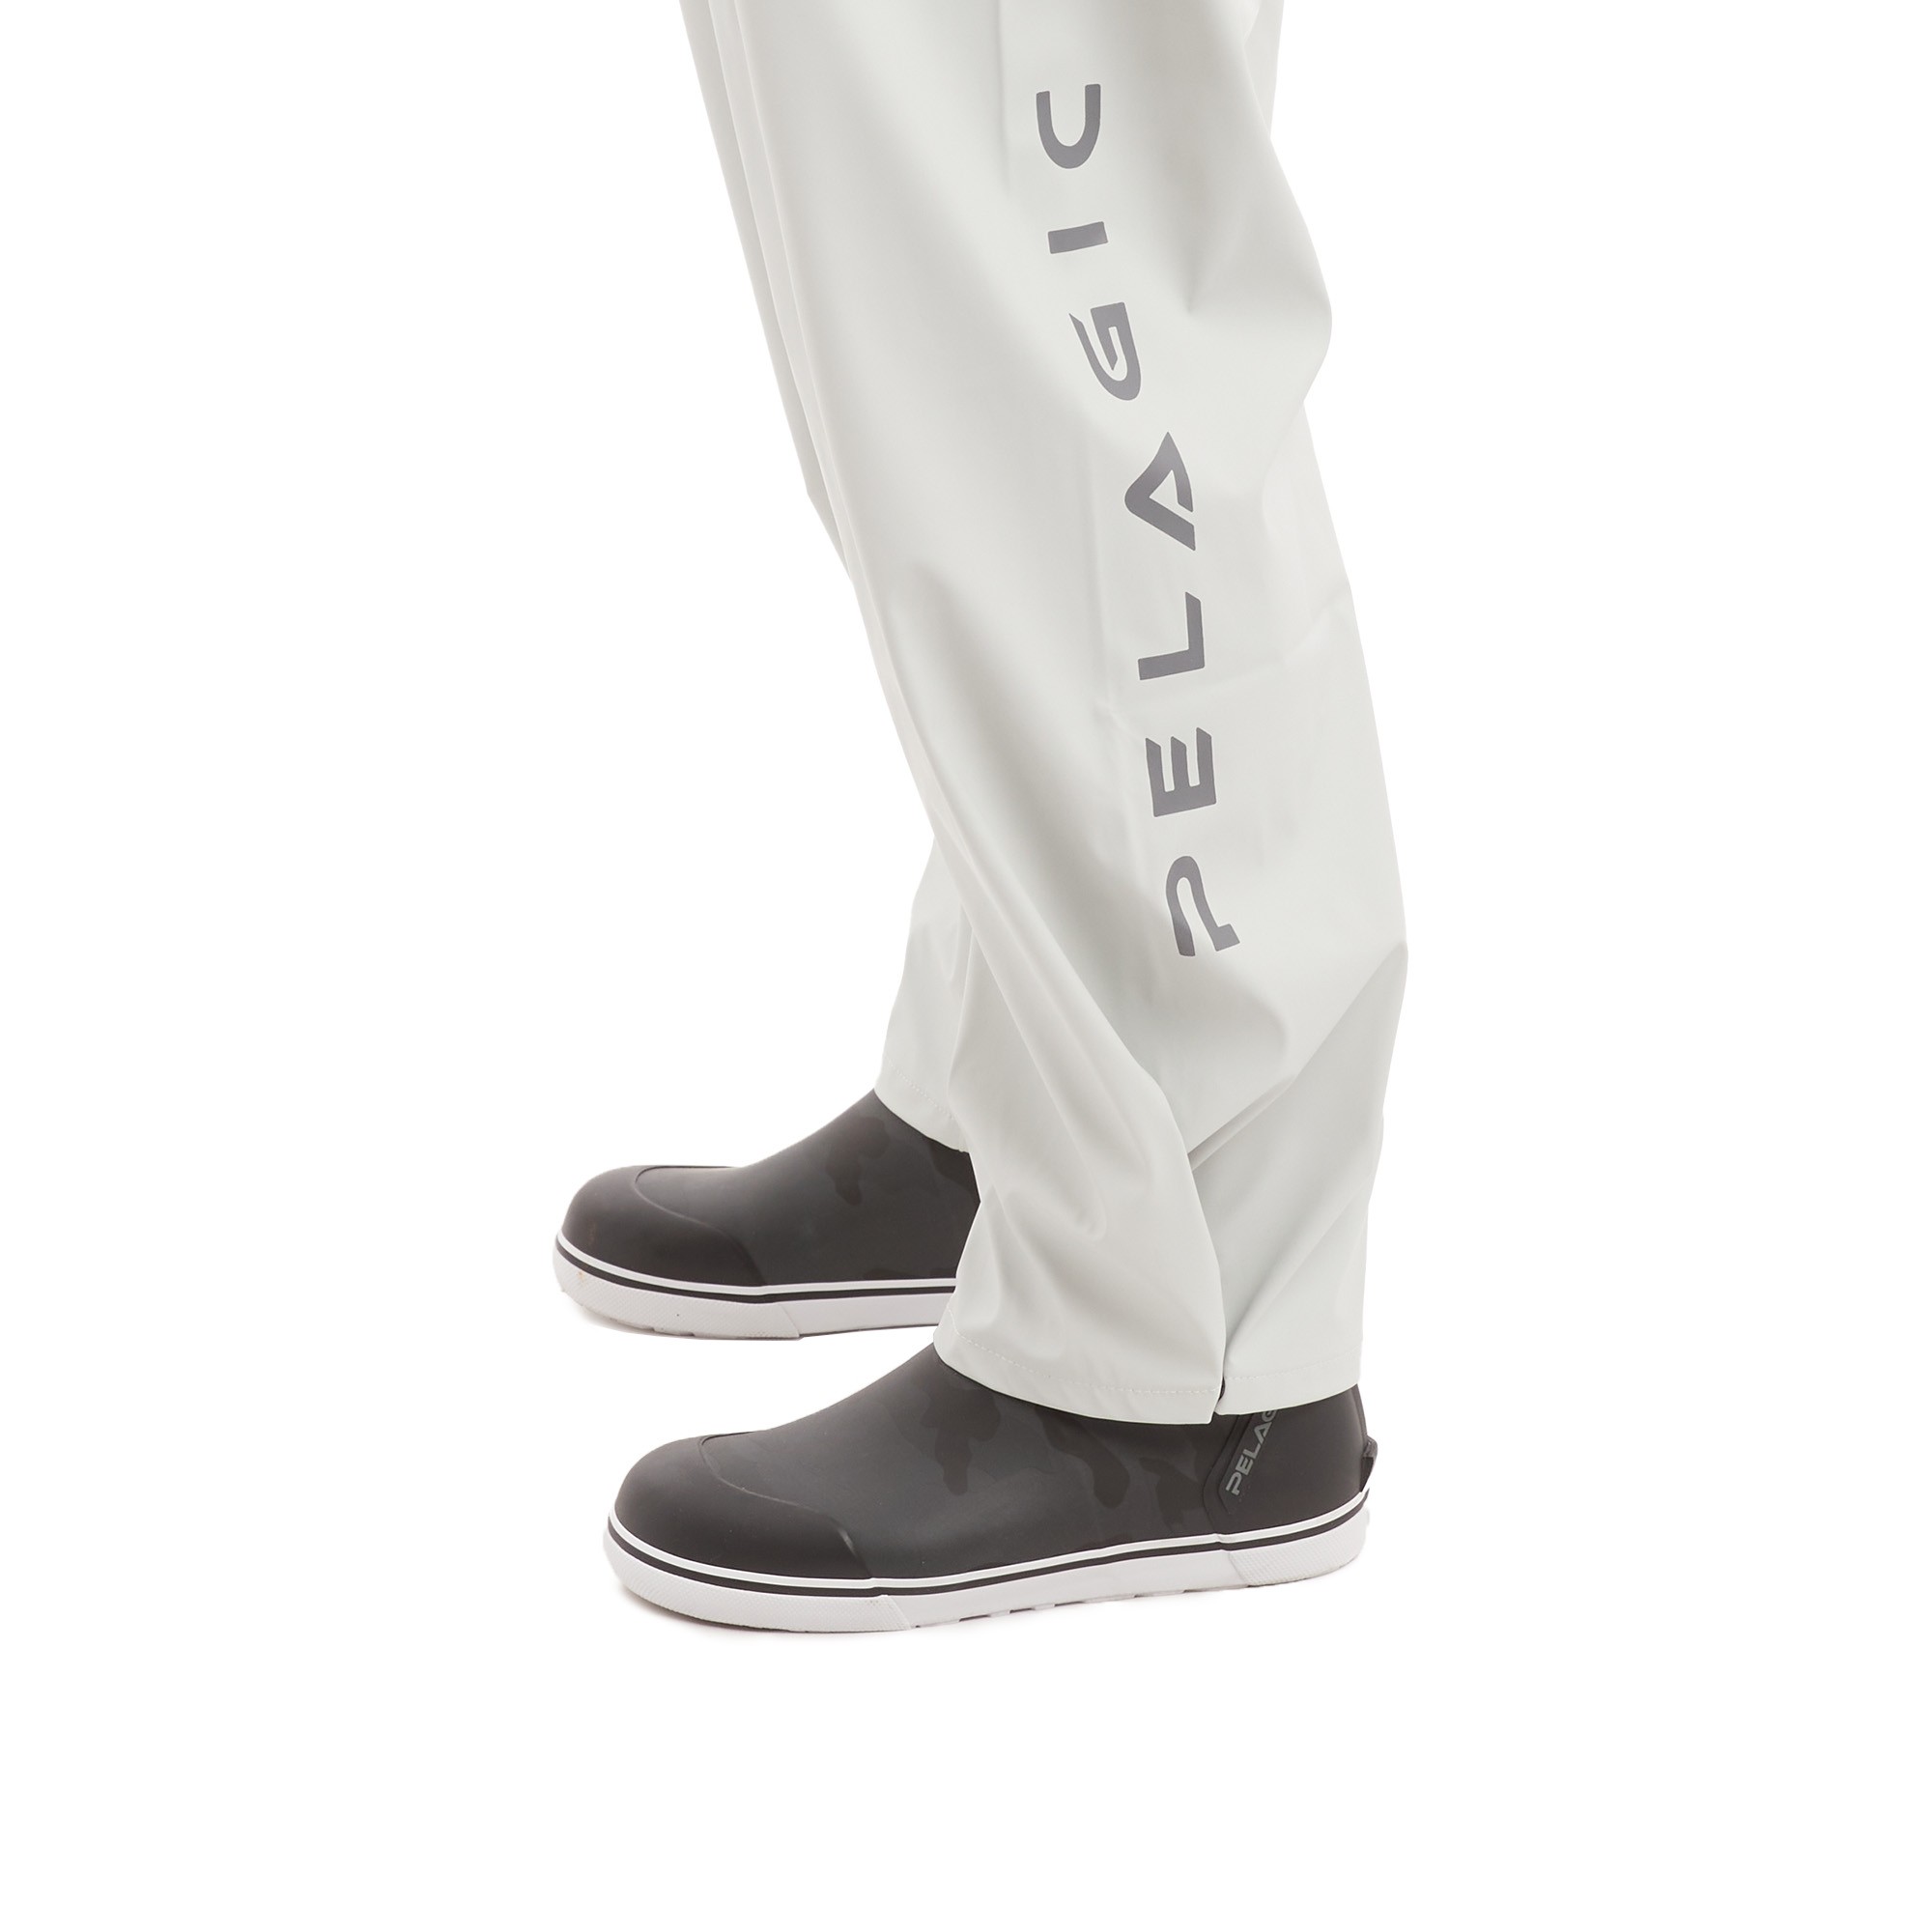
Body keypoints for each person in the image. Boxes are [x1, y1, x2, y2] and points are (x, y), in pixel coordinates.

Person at [555, 0, 1406, 1631]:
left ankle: (1192, 1328)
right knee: (936, 242)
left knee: (1042, 165)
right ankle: (1032, 1109)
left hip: (1196, 1347)